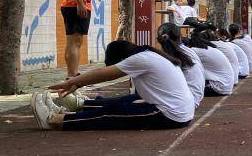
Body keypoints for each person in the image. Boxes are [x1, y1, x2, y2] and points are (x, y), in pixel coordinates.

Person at [32, 40, 195, 131]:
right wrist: (78, 82)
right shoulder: (148, 54)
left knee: (108, 115)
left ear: (122, 58)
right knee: (120, 105)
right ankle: (67, 112)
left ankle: (54, 121)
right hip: (176, 110)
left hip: (170, 115)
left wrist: (72, 82)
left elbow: (103, 73)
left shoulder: (141, 59)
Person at [156, 22, 205, 107]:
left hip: (183, 104)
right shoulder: (188, 50)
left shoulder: (169, 56)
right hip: (194, 98)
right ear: (180, 36)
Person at [186, 29, 236, 96]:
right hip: (226, 84)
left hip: (220, 87)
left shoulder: (196, 51)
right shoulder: (209, 48)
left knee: (189, 85)